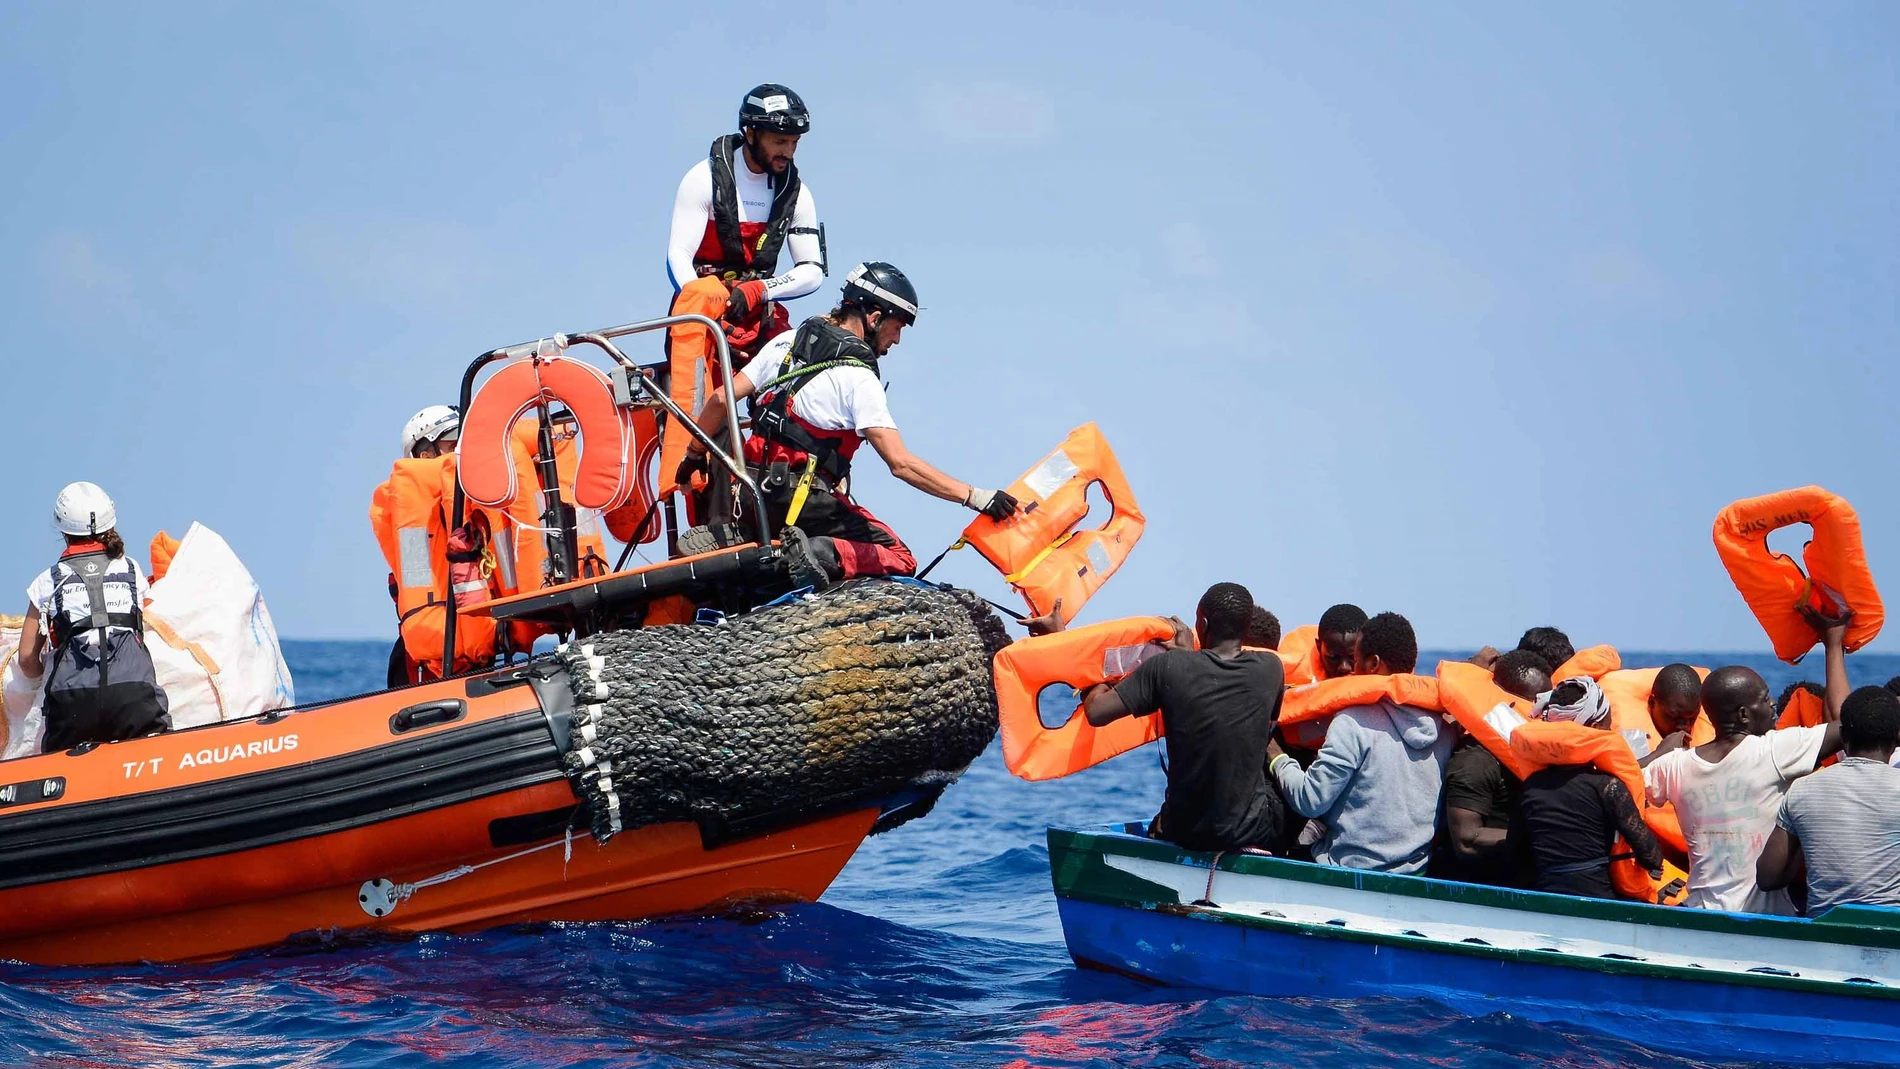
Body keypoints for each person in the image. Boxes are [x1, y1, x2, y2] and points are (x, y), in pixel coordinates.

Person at [679, 262, 1020, 585]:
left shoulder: (786, 342)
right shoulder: (858, 378)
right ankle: (817, 551)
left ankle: (747, 533)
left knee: (800, 505)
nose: (897, 340)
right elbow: (900, 464)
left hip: (749, 491)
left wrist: (693, 455)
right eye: (897, 327)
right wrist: (976, 497)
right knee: (899, 556)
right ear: (873, 317)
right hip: (798, 500)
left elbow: (721, 400)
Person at [658, 84, 826, 501]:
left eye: (795, 143)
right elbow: (677, 256)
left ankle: (796, 491)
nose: (789, 151)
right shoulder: (702, 180)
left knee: (798, 386)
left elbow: (812, 271)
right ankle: (697, 489)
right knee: (710, 411)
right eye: (780, 141)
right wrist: (707, 306)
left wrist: (759, 291)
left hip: (762, 314)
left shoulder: (798, 193)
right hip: (704, 318)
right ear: (751, 133)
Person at [1643, 612, 1849, 915]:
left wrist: (1659, 752)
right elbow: (1850, 723)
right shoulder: (1775, 751)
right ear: (1742, 715)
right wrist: (1833, 644)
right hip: (1765, 919)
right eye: (1765, 699)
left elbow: (1618, 780)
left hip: (1699, 912)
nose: (1772, 704)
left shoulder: (1673, 767)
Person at [1080, 583, 1287, 852]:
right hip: (1251, 830)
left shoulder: (1166, 668)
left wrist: (1090, 675)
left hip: (1184, 830)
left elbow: (1096, 712)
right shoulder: (1271, 670)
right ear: (1247, 628)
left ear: (1201, 623)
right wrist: (1190, 658)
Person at [1268, 612, 1453, 873]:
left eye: (1354, 660)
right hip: (1417, 871)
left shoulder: (1351, 723)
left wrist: (1277, 757)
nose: (1348, 670)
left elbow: (1309, 800)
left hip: (1347, 869)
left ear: (1373, 663)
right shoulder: (1445, 728)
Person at [15, 482, 171, 752]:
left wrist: (47, 677)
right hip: (133, 696)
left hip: (72, 704)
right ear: (110, 523)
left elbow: (27, 658)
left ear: (63, 530)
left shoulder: (46, 582)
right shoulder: (132, 570)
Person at [1517, 677, 1668, 899]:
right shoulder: (1608, 788)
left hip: (1545, 895)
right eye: (1608, 723)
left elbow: (1516, 854)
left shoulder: (1529, 787)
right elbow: (1651, 857)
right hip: (1598, 899)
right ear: (1595, 729)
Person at [1757, 685, 1900, 914]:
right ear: (1898, 736)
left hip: (1824, 931)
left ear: (1842, 736)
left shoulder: (1802, 789)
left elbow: (1767, 877)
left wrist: (1809, 834)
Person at [1432, 648, 1549, 887]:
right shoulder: (1475, 760)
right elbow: (1466, 840)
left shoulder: (1538, 753)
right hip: (1483, 890)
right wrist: (1546, 840)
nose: (1540, 715)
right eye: (1535, 705)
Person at [1648, 662, 1703, 739]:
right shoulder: (1627, 733)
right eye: (1675, 717)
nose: (1685, 727)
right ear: (1652, 702)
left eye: (1692, 718)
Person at [1314, 603, 1367, 679]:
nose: (1344, 667)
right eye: (1334, 658)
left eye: (1353, 657)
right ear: (1319, 647)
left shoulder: (1385, 675)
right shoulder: (1296, 684)